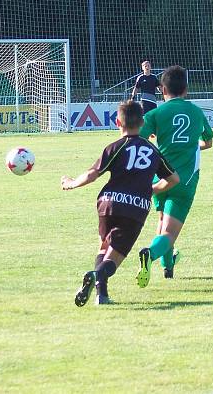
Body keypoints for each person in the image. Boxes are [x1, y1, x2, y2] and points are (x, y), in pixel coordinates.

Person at [61, 100, 179, 306]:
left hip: (108, 203)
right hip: (135, 208)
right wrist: (150, 190)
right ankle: (96, 276)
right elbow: (173, 179)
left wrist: (71, 183)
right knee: (114, 260)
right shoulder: (152, 150)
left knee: (104, 247)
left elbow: (92, 174)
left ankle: (102, 296)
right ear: (142, 122)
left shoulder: (115, 146)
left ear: (117, 122)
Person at [135, 65, 213, 287]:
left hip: (159, 178)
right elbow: (207, 142)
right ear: (186, 90)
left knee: (162, 223)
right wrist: (192, 145)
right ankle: (149, 254)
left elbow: (137, 139)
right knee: (169, 233)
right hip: (185, 180)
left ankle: (168, 268)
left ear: (162, 89)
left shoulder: (155, 114)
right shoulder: (196, 112)